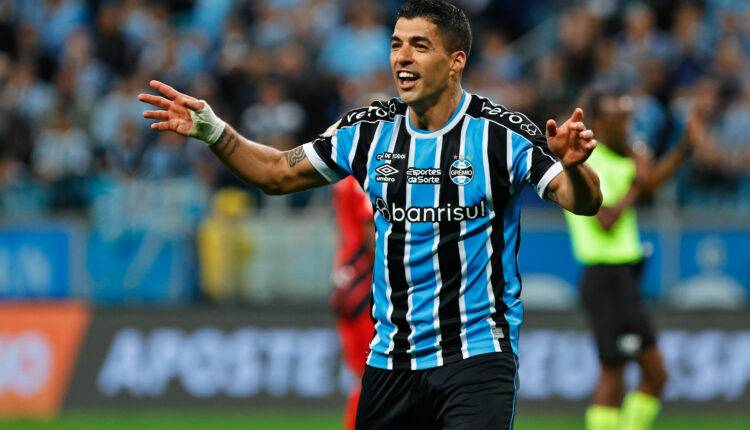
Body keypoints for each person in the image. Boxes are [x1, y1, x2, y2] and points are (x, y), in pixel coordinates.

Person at [138, 1, 602, 428]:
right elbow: (277, 173)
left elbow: (582, 201)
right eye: (396, 44)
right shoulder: (366, 131)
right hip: (390, 360)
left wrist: (575, 168)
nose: (403, 57)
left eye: (420, 46)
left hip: (476, 357)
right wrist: (212, 130)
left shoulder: (500, 134)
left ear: (456, 60)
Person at [564, 90, 703, 430]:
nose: (624, 126)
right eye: (615, 120)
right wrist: (636, 183)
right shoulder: (587, 164)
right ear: (597, 122)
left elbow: (649, 182)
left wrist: (683, 147)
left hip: (623, 278)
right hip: (605, 276)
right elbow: (606, 219)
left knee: (640, 372)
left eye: (627, 118)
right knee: (624, 371)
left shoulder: (617, 159)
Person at [331, 175, 376, 430]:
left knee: (363, 376)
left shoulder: (345, 179)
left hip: (347, 281)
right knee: (375, 376)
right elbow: (370, 231)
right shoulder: (365, 175)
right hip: (365, 286)